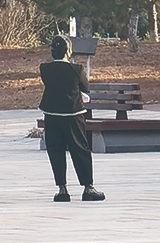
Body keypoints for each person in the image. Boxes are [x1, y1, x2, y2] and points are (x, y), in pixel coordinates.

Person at [39, 35, 105, 202]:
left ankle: (62, 189)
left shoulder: (45, 69)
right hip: (73, 115)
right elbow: (85, 87)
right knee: (80, 150)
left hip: (52, 115)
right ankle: (88, 187)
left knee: (56, 150)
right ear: (68, 51)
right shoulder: (76, 69)